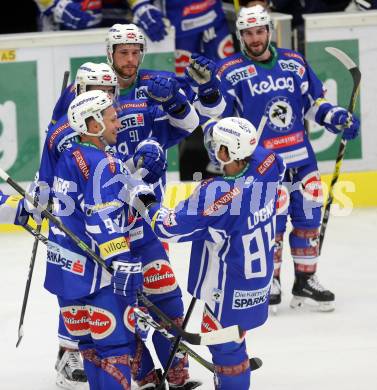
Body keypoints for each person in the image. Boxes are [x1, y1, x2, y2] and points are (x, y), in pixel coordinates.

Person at [207, 5, 360, 311]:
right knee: (270, 225)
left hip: (302, 158)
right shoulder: (228, 71)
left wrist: (336, 117)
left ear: (269, 32)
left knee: (308, 221)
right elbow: (218, 121)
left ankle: (305, 280)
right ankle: (271, 281)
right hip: (262, 164)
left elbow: (313, 105)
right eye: (248, 33)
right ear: (240, 36)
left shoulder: (294, 63)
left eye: (260, 31)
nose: (255, 39)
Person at [128, 116, 285, 389]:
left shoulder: (216, 194)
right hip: (259, 284)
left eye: (218, 146)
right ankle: (233, 366)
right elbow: (260, 154)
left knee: (226, 352)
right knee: (235, 340)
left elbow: (167, 228)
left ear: (227, 152)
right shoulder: (269, 166)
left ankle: (232, 376)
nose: (213, 149)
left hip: (228, 290)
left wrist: (143, 197)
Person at [46, 89, 145, 390]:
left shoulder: (69, 156)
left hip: (66, 272)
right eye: (113, 119)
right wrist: (122, 260)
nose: (119, 124)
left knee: (90, 347)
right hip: (96, 274)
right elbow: (100, 217)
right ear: (93, 124)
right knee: (114, 350)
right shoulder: (104, 163)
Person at [129, 0, 235, 76]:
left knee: (228, 79)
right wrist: (140, 5)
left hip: (216, 22)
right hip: (178, 30)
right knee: (182, 90)